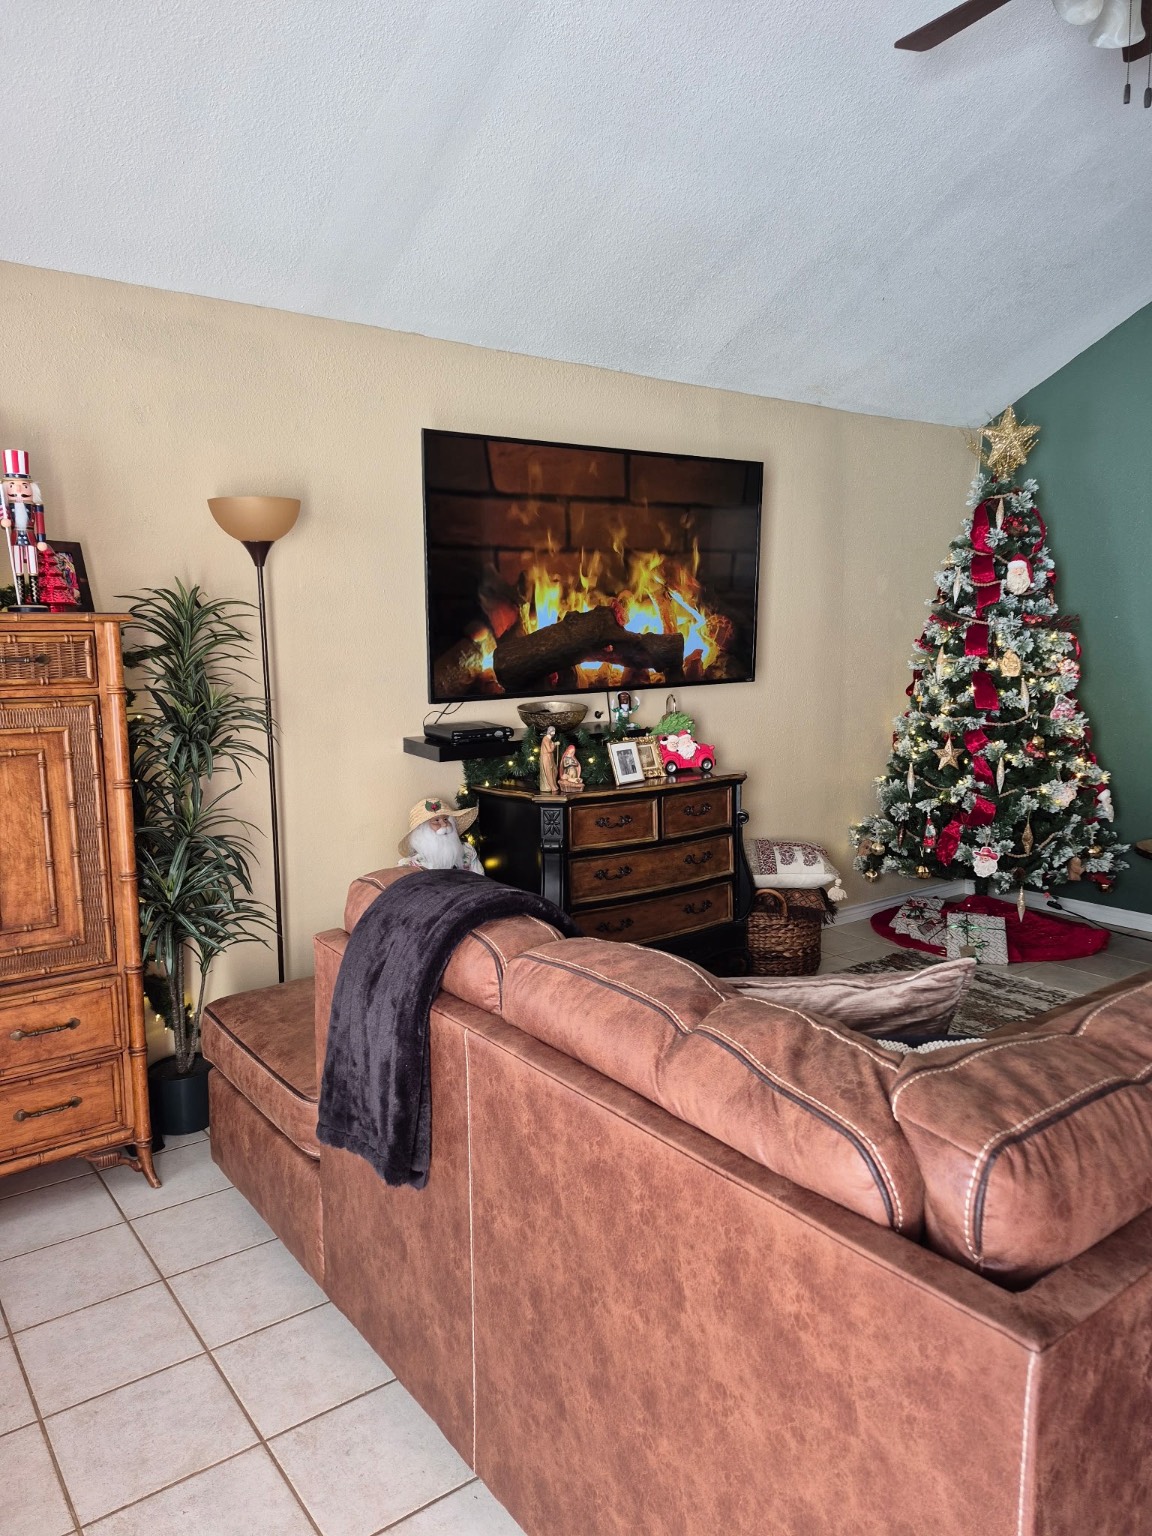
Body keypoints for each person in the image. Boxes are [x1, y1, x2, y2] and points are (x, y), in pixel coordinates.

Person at [398, 797, 485, 874]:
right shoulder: (409, 866)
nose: (444, 824)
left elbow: (482, 881)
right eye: (436, 820)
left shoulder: (468, 851)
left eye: (446, 819)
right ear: (422, 830)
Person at [539, 724, 559, 794]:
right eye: (553, 731)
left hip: (550, 756)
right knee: (549, 772)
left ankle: (554, 784)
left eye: (554, 731)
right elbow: (549, 749)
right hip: (546, 757)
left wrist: (554, 744)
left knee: (554, 770)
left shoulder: (549, 739)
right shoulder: (546, 739)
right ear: (550, 732)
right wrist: (554, 744)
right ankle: (551, 786)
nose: (554, 733)